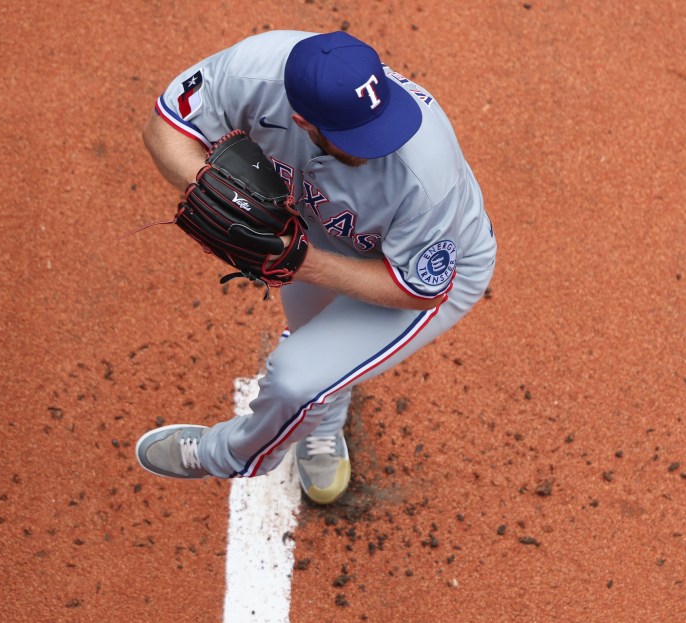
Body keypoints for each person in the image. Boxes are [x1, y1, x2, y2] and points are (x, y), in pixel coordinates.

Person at [134, 30, 497, 505]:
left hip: (428, 271)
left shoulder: (426, 171)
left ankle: (229, 454)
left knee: (294, 377)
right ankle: (324, 421)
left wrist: (299, 260)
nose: (376, 145)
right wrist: (209, 190)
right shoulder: (253, 71)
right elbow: (165, 129)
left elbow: (415, 290)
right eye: (356, 138)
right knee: (316, 351)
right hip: (316, 230)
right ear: (303, 120)